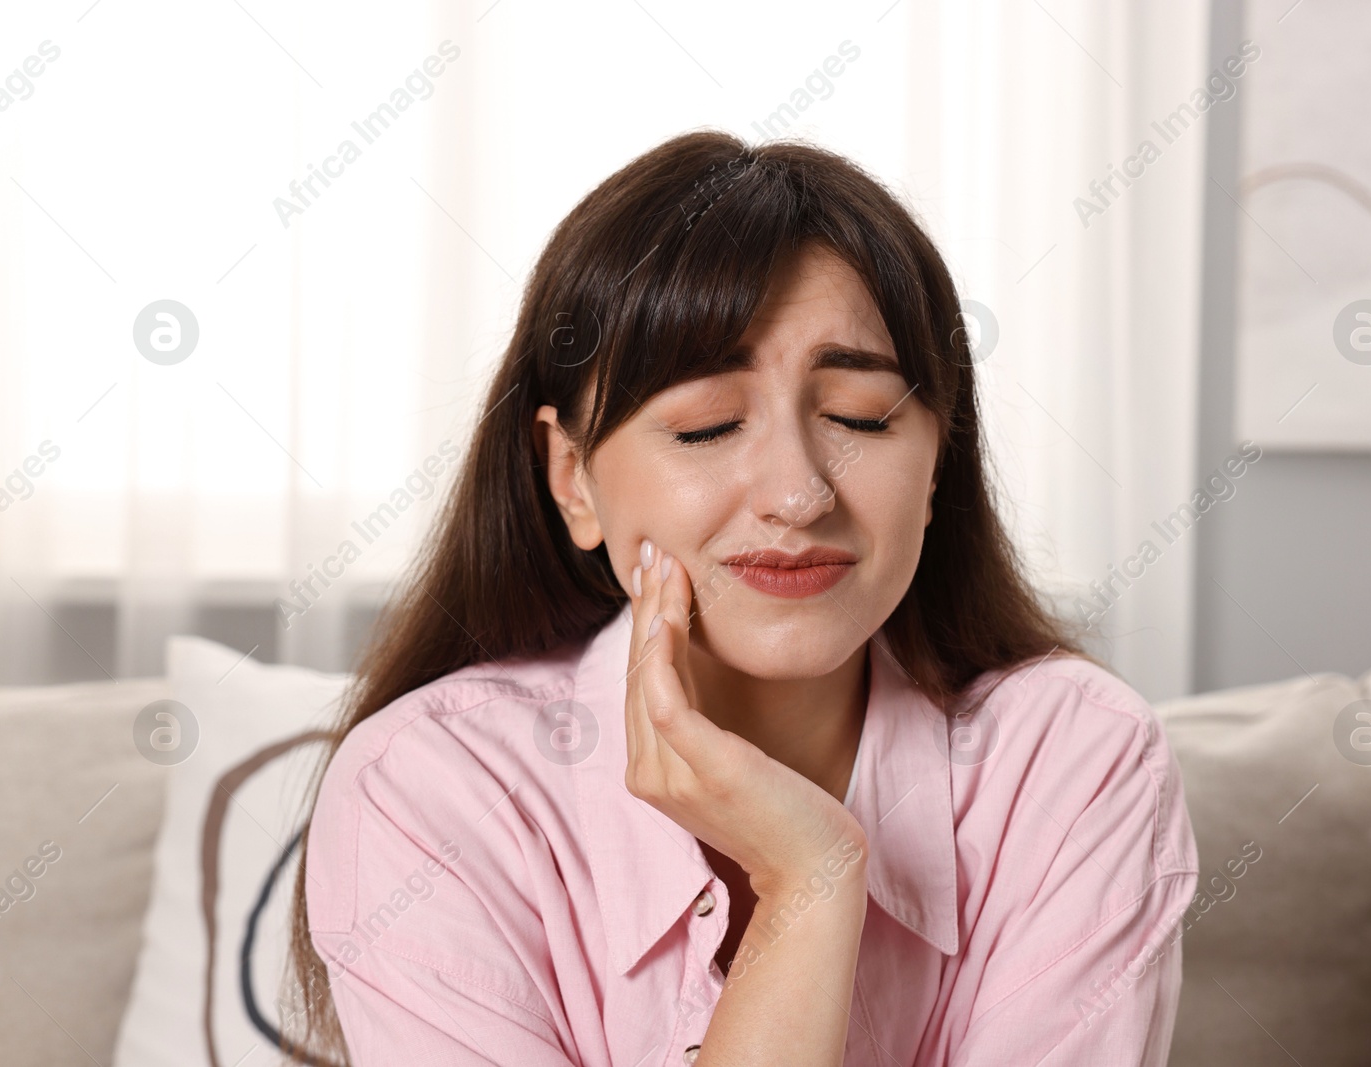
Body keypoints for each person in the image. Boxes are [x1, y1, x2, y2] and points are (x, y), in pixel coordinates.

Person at [286, 129, 1199, 1067]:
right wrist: (811, 881)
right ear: (573, 479)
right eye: (708, 426)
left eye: (859, 418)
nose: (798, 495)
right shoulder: (431, 787)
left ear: (937, 463)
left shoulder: (1076, 760)